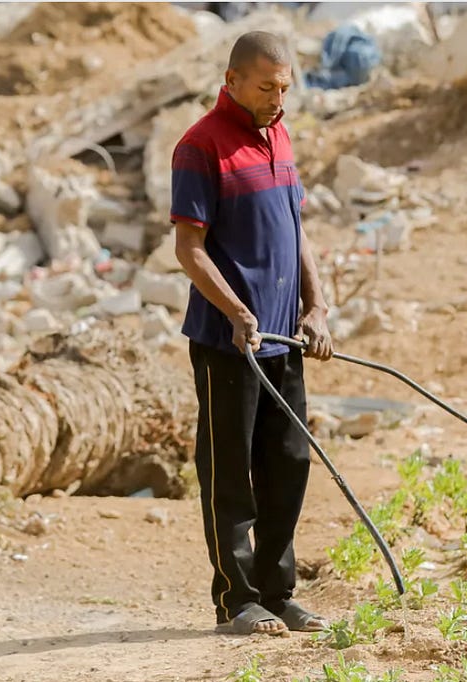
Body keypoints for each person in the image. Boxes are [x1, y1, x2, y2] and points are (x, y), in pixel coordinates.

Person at [169, 30, 334, 637]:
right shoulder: (200, 146)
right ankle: (236, 601)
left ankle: (277, 592)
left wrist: (316, 307)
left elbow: (297, 230)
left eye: (284, 88)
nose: (277, 99)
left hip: (284, 338)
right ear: (232, 80)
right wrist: (238, 312)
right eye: (266, 88)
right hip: (229, 342)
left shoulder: (279, 135)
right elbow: (189, 249)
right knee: (229, 470)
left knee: (288, 462)